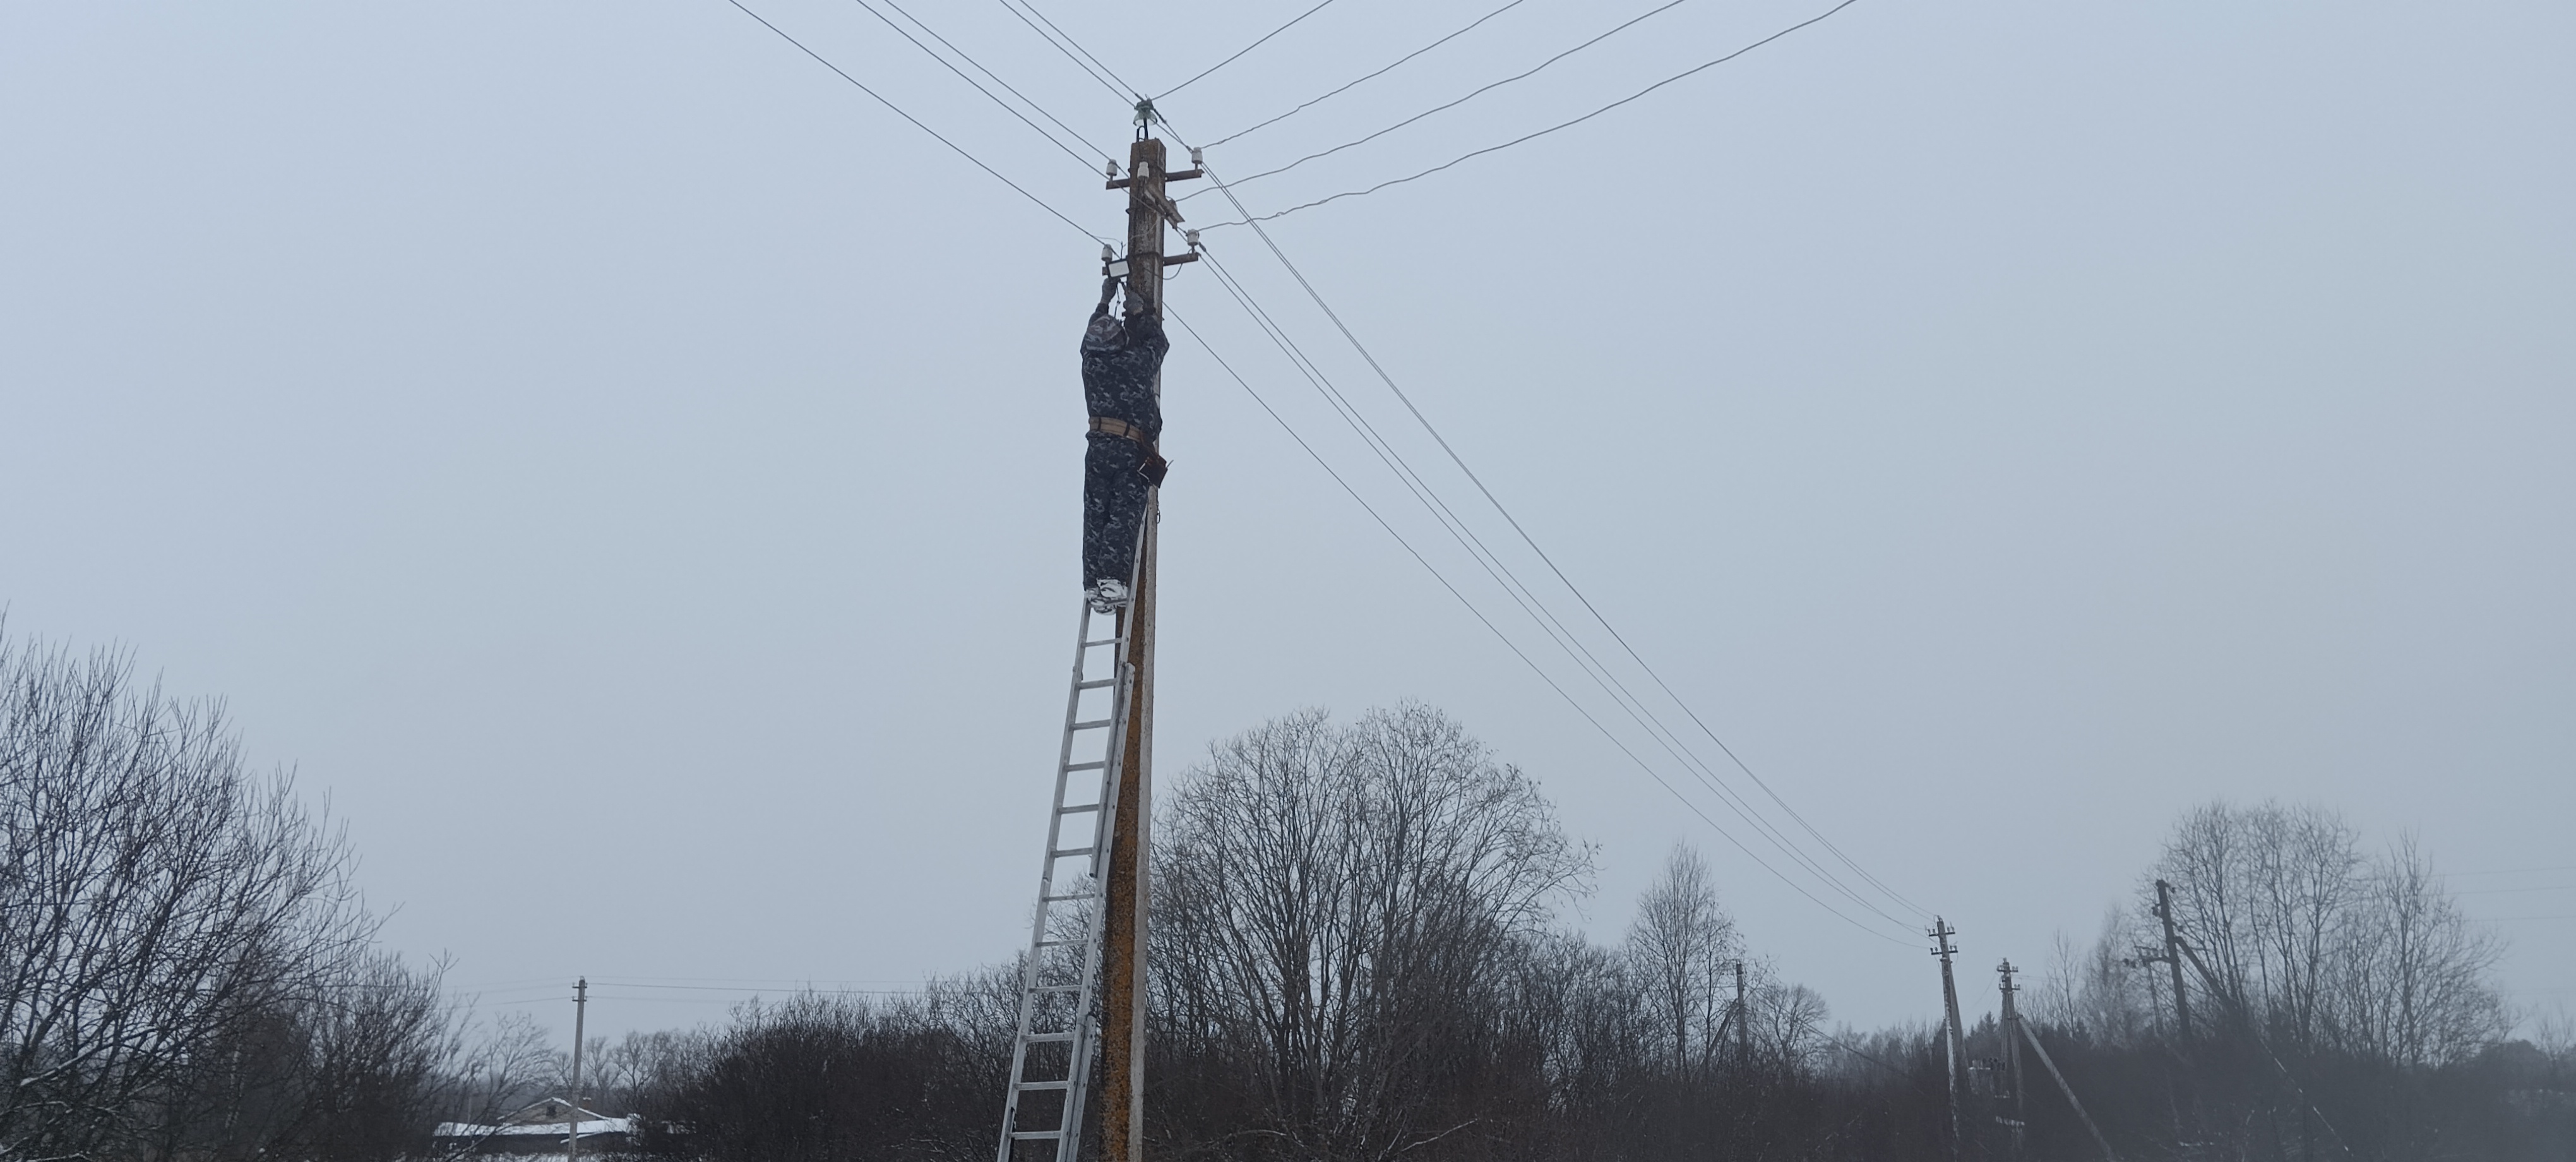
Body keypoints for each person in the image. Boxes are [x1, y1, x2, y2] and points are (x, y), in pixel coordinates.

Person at [1080, 275, 1169, 612]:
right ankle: (1113, 579)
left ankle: (1093, 584)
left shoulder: (1091, 364)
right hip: (1128, 447)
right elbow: (1157, 344)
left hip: (1097, 446)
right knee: (1122, 512)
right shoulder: (1132, 364)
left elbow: (1088, 341)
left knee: (1096, 514)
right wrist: (1138, 311)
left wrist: (1104, 303)